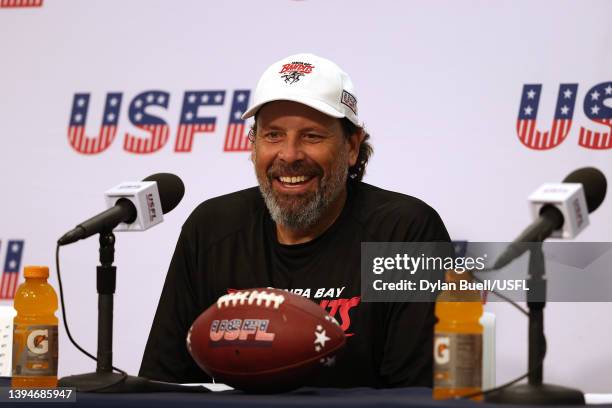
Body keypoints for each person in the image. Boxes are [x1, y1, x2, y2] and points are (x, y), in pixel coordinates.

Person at [139, 53, 450, 388]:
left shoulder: (403, 235)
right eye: (272, 135)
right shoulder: (212, 229)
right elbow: (165, 384)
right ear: (253, 145)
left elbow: (415, 394)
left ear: (352, 146)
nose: (289, 155)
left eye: (312, 136)